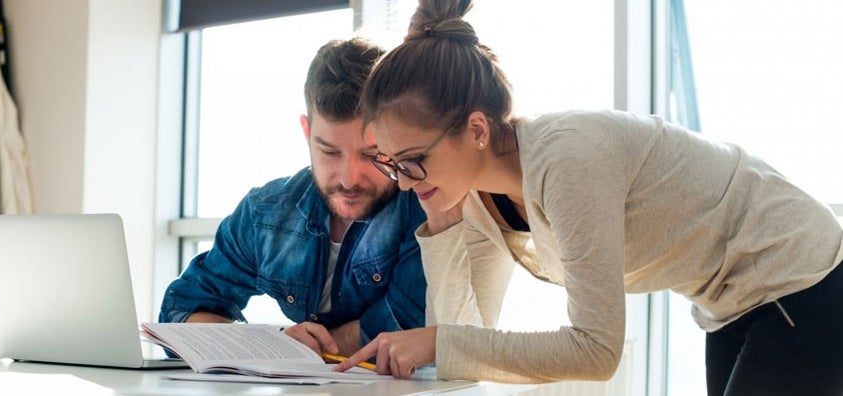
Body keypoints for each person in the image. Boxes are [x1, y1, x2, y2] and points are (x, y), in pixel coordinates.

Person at [333, 1, 843, 394]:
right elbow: (463, 340)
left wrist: (440, 342)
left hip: (794, 273)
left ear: (476, 130)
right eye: (393, 164)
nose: (402, 182)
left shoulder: (567, 161)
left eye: (413, 160)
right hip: (726, 303)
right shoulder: (474, 197)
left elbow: (597, 351)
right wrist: (442, 227)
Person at [159, 38, 428, 356]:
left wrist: (298, 351)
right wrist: (268, 345)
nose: (348, 178)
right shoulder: (266, 213)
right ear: (306, 132)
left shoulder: (424, 203)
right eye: (329, 151)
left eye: (371, 154)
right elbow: (179, 312)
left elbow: (410, 319)